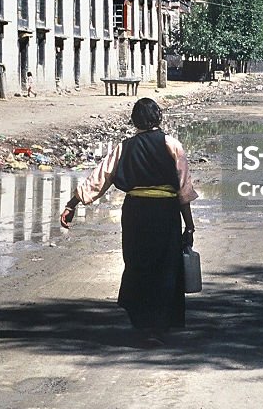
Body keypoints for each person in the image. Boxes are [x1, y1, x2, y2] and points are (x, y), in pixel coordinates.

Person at [60, 97, 198, 346]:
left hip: (136, 212)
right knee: (165, 266)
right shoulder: (172, 145)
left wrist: (72, 204)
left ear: (135, 121)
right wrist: (189, 225)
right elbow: (183, 190)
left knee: (138, 262)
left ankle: (142, 323)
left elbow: (99, 178)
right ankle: (159, 325)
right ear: (159, 118)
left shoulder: (125, 147)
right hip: (165, 213)